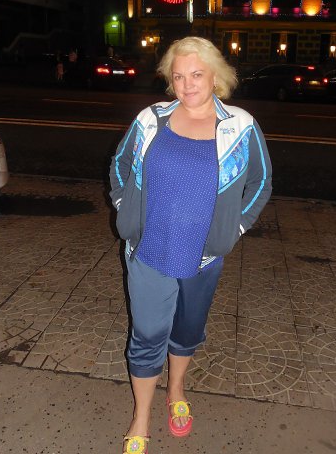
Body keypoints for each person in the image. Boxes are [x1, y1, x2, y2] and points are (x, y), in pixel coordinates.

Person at [109, 36, 272, 454]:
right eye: (178, 76)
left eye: (196, 74)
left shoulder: (239, 126)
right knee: (147, 334)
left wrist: (235, 228)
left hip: (203, 254)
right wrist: (126, 207)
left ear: (216, 76)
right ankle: (141, 417)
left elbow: (260, 182)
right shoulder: (151, 119)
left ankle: (176, 389)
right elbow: (121, 164)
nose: (187, 84)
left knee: (186, 330)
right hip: (149, 250)